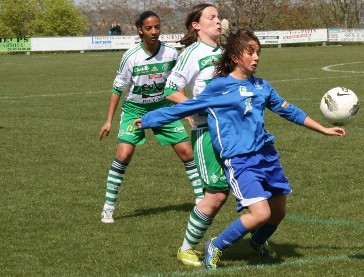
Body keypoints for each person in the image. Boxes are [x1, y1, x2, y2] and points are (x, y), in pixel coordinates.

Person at [134, 29, 346, 269]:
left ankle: (256, 243)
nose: (256, 57)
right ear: (235, 56)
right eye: (250, 52)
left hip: (267, 156)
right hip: (240, 161)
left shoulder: (262, 87)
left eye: (258, 53)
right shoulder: (218, 88)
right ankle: (216, 245)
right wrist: (150, 119)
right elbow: (182, 108)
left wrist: (323, 129)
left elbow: (289, 110)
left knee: (278, 212)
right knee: (260, 214)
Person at [98, 11, 203, 224]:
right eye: (149, 28)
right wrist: (109, 120)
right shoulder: (130, 56)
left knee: (186, 152)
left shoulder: (171, 53)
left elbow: (178, 82)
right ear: (140, 30)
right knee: (124, 154)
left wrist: (185, 108)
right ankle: (108, 208)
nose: (154, 32)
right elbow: (118, 89)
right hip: (135, 110)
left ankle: (202, 200)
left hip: (164, 108)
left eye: (157, 27)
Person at [158, 4, 230, 267]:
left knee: (249, 184)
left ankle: (256, 235)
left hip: (234, 132)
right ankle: (186, 248)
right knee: (217, 195)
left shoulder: (225, 52)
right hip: (207, 132)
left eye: (218, 17)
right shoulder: (191, 53)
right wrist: (193, 107)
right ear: (196, 26)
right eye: (211, 18)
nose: (218, 21)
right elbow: (170, 88)